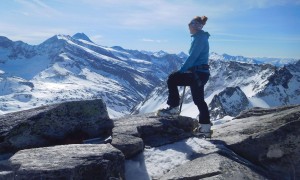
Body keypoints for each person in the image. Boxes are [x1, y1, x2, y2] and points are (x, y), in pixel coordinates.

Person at [157, 16, 211, 136]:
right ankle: (205, 128)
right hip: (200, 74)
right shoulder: (200, 37)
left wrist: (182, 70)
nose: (189, 28)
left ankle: (174, 108)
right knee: (199, 100)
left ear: (195, 26)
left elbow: (193, 57)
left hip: (197, 74)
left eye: (190, 26)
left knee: (172, 78)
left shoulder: (199, 39)